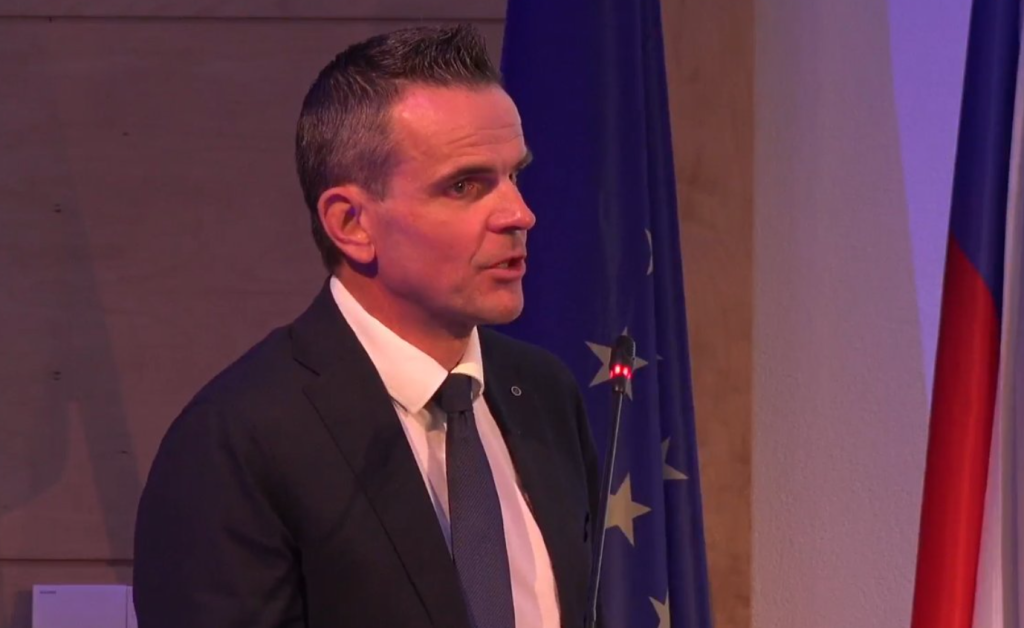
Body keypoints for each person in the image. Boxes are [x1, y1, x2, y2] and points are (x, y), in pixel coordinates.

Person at [132, 24, 601, 628]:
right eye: (465, 185)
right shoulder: (236, 441)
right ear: (351, 224)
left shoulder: (544, 392)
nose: (520, 214)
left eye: (514, 176)